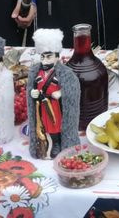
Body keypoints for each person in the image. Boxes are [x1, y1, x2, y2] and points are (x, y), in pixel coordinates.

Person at [27, 28, 80, 159]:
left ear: (57, 57)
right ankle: (43, 143)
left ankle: (56, 143)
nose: (45, 60)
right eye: (42, 56)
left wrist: (61, 92)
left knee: (55, 124)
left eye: (49, 56)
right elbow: (31, 87)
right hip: (40, 104)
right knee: (42, 124)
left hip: (53, 105)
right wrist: (32, 93)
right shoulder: (36, 72)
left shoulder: (65, 73)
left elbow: (73, 89)